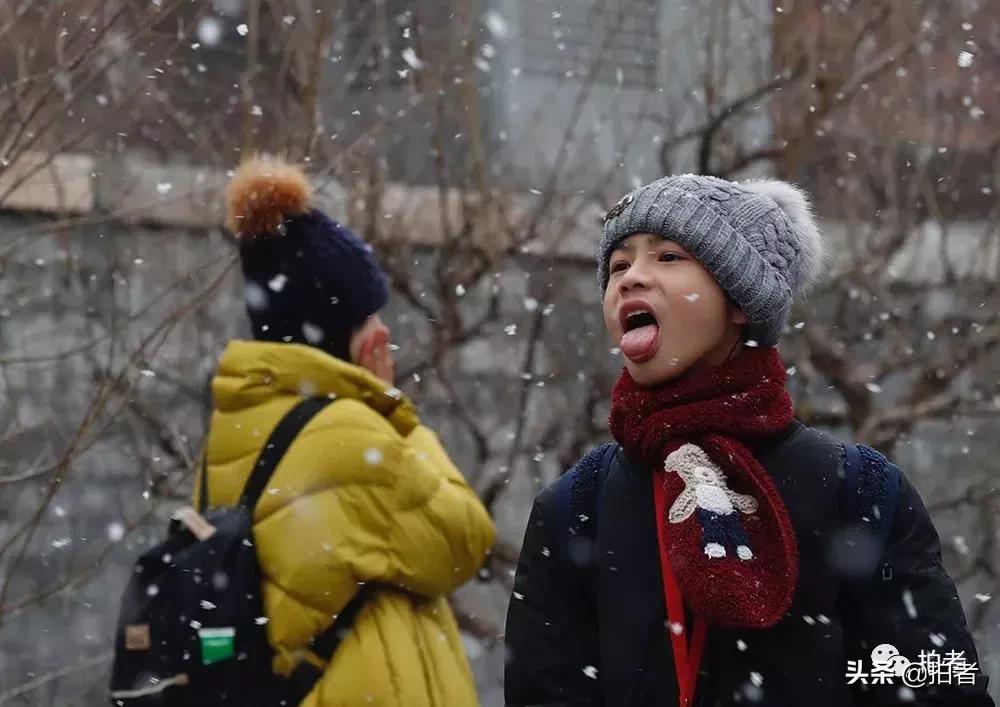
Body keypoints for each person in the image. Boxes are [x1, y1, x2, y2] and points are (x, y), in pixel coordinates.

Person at [503, 174, 994, 706]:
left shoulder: (860, 491)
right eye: (618, 266)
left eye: (668, 257)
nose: (632, 278)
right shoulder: (576, 508)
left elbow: (937, 687)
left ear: (740, 300)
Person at [196, 157, 495, 706]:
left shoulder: (242, 426)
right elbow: (463, 540)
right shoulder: (353, 437)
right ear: (344, 332)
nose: (383, 331)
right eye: (370, 316)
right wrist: (392, 411)